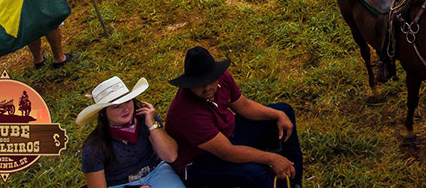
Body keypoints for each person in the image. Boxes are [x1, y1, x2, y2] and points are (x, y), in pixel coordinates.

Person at [165, 47, 302, 188]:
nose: (206, 88)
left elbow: (244, 105)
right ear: (189, 84)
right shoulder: (188, 113)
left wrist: (278, 114)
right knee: (254, 173)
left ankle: (292, 181)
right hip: (199, 160)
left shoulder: (223, 78)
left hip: (227, 133)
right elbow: (228, 152)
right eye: (199, 84)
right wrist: (271, 159)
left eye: (210, 81)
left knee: (284, 112)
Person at [78, 76, 184, 188]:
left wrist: (152, 126)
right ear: (103, 113)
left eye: (128, 101)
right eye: (116, 107)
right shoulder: (93, 147)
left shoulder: (147, 119)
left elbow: (170, 156)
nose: (126, 109)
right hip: (119, 184)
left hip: (156, 172)